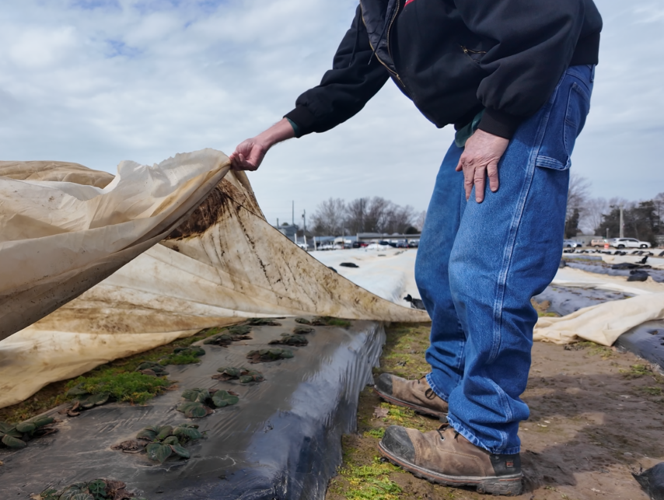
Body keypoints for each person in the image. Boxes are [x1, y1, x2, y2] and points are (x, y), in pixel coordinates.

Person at [230, 0, 602, 495]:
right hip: (480, 108)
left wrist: (500, 122)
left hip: (535, 84)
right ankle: (448, 384)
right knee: (437, 264)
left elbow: (546, 18)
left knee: (488, 267)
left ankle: (485, 442)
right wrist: (269, 136)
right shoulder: (375, 9)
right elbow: (349, 79)